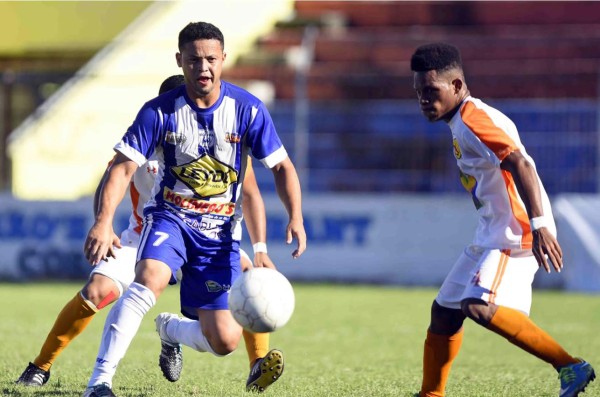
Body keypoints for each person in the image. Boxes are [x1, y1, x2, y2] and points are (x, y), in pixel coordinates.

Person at [16, 75, 286, 394]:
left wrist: (259, 247)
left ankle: (239, 356)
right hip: (148, 234)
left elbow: (251, 192)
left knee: (247, 282)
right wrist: (102, 223)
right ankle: (40, 366)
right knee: (97, 290)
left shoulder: (221, 143)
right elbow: (113, 178)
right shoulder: (148, 135)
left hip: (207, 238)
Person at [81, 21, 306, 397]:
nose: (203, 68)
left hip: (219, 235)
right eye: (194, 60)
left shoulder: (247, 110)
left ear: (223, 60)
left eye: (210, 59)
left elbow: (281, 167)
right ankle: (99, 383)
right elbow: (121, 168)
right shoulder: (159, 111)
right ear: (180, 61)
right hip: (171, 218)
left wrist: (294, 217)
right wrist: (103, 222)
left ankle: (169, 329)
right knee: (149, 276)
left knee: (224, 340)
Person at [410, 43, 596, 397]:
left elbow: (521, 164)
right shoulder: (462, 119)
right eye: (418, 91)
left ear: (458, 87)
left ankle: (570, 366)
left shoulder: (473, 120)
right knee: (444, 312)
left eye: (431, 91)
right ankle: (431, 394)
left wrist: (540, 227)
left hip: (515, 231)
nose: (423, 99)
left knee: (477, 306)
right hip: (492, 231)